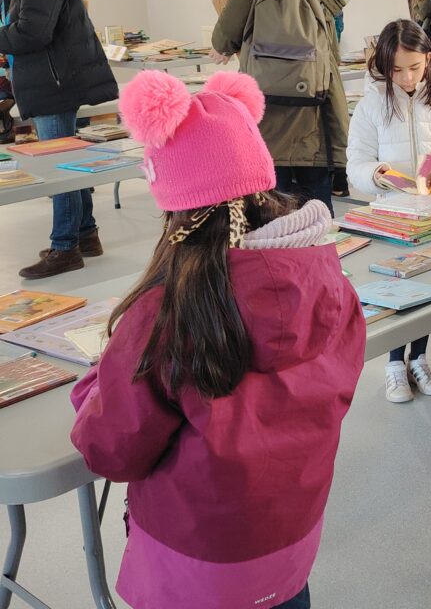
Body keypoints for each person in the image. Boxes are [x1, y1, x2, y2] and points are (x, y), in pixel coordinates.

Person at [70, 69, 365, 609]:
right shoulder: (329, 281)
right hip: (289, 545)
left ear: (176, 210)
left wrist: (96, 383)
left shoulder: (166, 313)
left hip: (195, 567)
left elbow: (108, 448)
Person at [347, 19, 431, 403]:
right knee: (395, 286)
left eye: (415, 67)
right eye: (396, 69)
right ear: (383, 65)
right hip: (392, 215)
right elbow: (356, 164)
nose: (407, 78)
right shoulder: (371, 104)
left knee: (428, 284)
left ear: (428, 59)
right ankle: (394, 364)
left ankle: (419, 358)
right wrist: (376, 174)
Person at [0, 0, 117, 278]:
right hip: (52, 79)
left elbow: (33, 33)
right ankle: (86, 234)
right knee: (69, 161)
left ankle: (65, 247)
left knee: (59, 166)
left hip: (54, 83)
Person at [212, 0, 350, 214]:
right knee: (317, 208)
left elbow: (224, 35)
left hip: (267, 107)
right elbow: (334, 39)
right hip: (314, 106)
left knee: (274, 205)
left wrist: (225, 46)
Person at [292, 0, 350, 198]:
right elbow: (338, 26)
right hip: (326, 65)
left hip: (304, 73)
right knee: (334, 121)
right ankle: (339, 180)